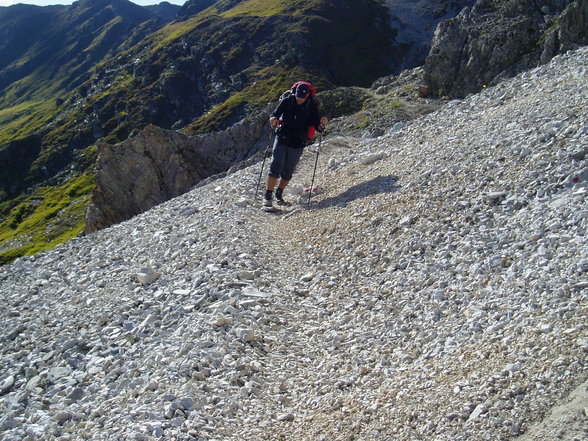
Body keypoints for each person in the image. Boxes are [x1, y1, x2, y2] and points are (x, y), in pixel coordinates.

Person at [264, 82, 328, 208]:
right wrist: (273, 119)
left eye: (303, 97)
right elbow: (275, 114)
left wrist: (321, 124)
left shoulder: (312, 106)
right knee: (276, 165)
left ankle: (279, 193)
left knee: (288, 170)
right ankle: (267, 196)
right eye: (299, 96)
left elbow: (316, 125)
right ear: (295, 93)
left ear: (308, 95)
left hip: (298, 141)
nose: (300, 99)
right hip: (283, 137)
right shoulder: (287, 101)